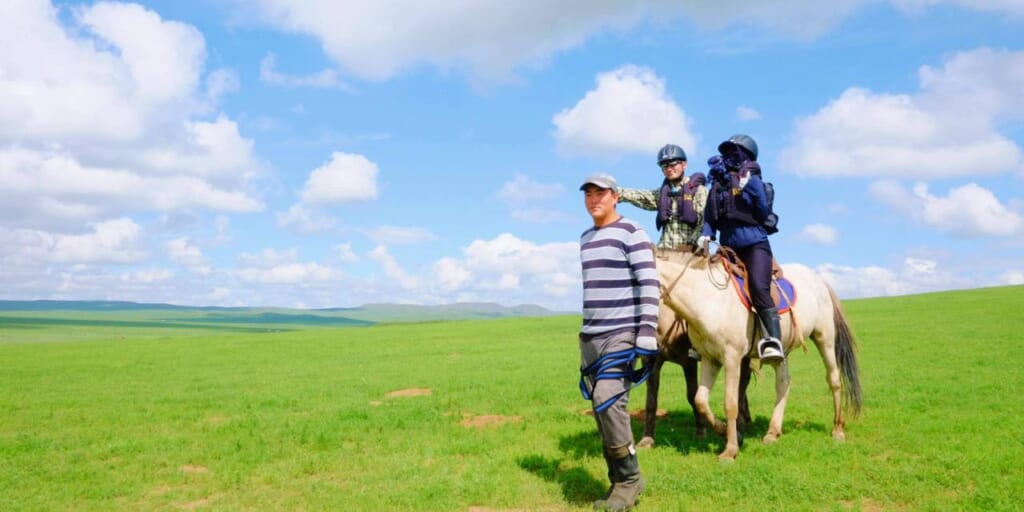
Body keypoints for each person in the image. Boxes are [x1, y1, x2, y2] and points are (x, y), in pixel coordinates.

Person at [578, 172, 658, 511]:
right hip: (591, 336)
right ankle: (619, 479)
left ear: (615, 197)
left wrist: (648, 331)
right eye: (589, 194)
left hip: (622, 332)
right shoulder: (585, 238)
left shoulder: (631, 231)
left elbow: (649, 282)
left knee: (609, 399)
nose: (595, 199)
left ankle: (628, 481)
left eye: (601, 193)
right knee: (600, 409)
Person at [698, 134, 785, 366]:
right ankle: (701, 343)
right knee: (704, 286)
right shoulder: (717, 185)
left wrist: (752, 187)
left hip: (755, 245)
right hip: (727, 248)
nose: (729, 157)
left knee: (758, 287)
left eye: (735, 152)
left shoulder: (756, 182)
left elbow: (763, 212)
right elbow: (709, 217)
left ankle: (773, 340)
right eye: (727, 153)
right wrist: (706, 234)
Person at [617, 144, 707, 250]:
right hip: (665, 251)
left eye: (673, 164)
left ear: (684, 165)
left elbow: (703, 222)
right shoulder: (661, 193)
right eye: (664, 166)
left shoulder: (699, 191)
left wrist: (692, 244)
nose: (669, 169)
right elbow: (640, 196)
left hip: (691, 253)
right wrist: (616, 192)